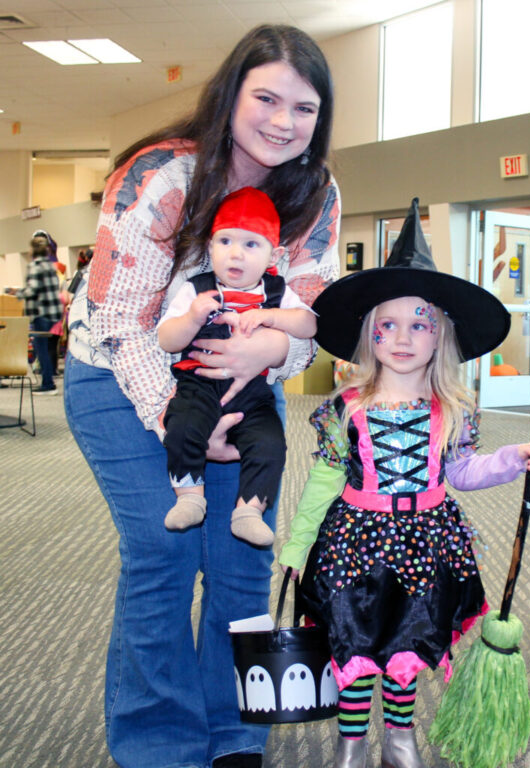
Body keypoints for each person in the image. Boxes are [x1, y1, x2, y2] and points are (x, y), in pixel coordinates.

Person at [64, 23, 339, 768]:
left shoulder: (314, 192)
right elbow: (120, 321)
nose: (283, 122)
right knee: (163, 547)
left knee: (243, 553)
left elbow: (312, 313)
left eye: (304, 108)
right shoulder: (161, 175)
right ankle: (159, 741)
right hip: (119, 375)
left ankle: (234, 733)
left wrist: (273, 349)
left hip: (239, 382)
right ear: (230, 95)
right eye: (267, 99)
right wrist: (178, 421)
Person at [278, 199, 530, 768]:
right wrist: (299, 546)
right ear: (369, 335)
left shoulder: (453, 408)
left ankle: (399, 736)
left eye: (419, 325)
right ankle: (353, 741)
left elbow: (463, 472)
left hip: (427, 542)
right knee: (354, 644)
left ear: (440, 336)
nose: (403, 338)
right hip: (354, 543)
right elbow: (324, 480)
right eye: (388, 325)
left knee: (407, 644)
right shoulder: (347, 407)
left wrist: (511, 461)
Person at [158, 186, 316, 543]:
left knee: (270, 442)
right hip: (199, 385)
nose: (236, 253)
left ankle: (249, 510)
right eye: (225, 241)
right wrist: (192, 318)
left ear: (274, 254)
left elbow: (309, 325)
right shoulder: (196, 289)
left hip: (253, 394)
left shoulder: (276, 292)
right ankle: (189, 496)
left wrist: (272, 317)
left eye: (251, 244)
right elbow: (167, 339)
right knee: (181, 427)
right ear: (209, 247)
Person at [5, 232, 62, 394]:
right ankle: (48, 380)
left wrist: (15, 292)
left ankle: (47, 384)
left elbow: (32, 290)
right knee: (45, 348)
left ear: (33, 249)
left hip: (40, 313)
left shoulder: (35, 266)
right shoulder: (50, 266)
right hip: (52, 313)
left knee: (40, 349)